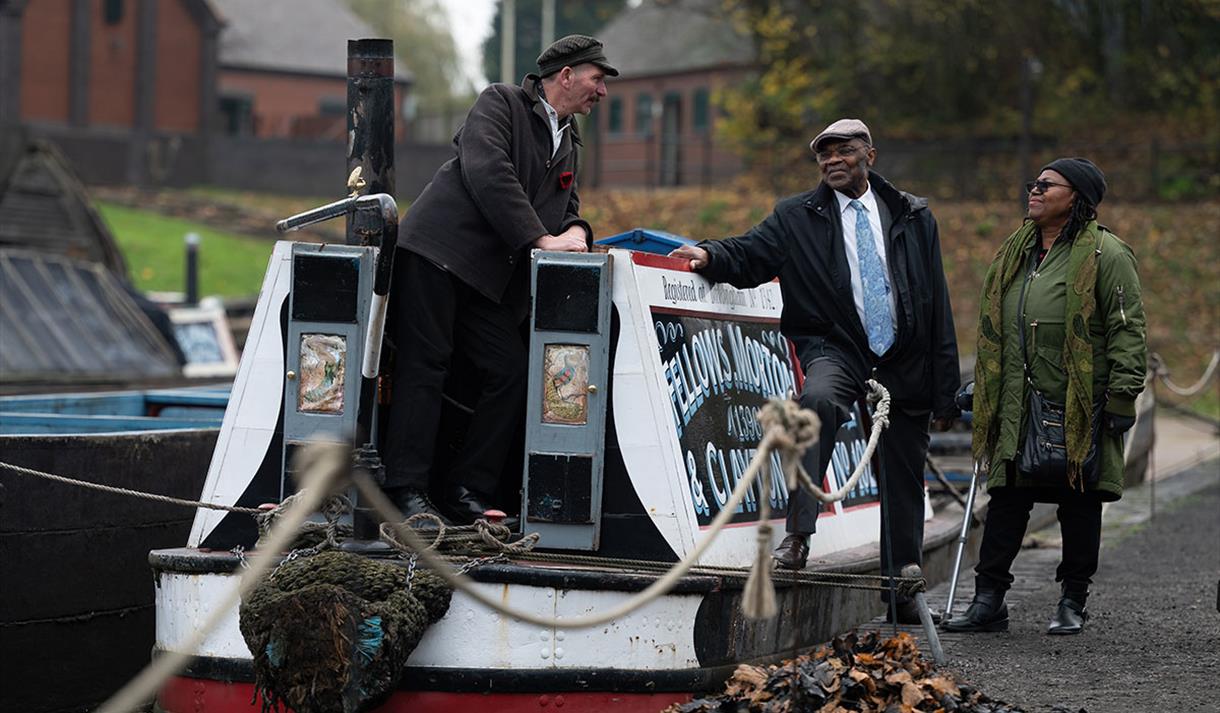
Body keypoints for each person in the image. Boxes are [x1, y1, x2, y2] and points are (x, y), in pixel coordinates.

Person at [669, 118, 960, 624]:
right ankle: (799, 535)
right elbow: (751, 252)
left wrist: (945, 392)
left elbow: (937, 303)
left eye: (843, 151)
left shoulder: (912, 215)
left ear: (870, 153)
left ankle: (903, 586)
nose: (832, 161)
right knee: (819, 402)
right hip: (836, 346)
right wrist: (710, 253)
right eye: (823, 155)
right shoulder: (795, 217)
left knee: (904, 468)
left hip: (903, 356)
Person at [380, 35, 618, 525]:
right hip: (436, 254)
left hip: (486, 280)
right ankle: (406, 491)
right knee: (425, 367)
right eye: (597, 79)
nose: (603, 92)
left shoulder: (568, 139)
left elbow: (566, 209)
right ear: (567, 75)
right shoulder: (501, 103)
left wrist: (576, 230)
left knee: (510, 369)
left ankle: (468, 491)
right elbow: (489, 171)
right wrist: (540, 239)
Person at [943, 158, 1146, 635]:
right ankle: (988, 601)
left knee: (1079, 501)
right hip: (1016, 404)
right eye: (1033, 183)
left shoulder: (1106, 255)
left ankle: (1073, 601)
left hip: (1076, 404)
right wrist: (985, 389)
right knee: (1008, 497)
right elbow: (1003, 329)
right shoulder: (1015, 252)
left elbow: (1126, 328)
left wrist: (1121, 396)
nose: (1033, 191)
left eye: (1046, 185)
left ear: (1076, 197)